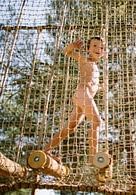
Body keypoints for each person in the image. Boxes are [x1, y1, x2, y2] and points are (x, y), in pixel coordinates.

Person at [44, 36, 106, 164]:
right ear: (88, 49)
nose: (98, 49)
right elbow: (68, 52)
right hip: (82, 94)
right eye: (94, 46)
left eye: (101, 47)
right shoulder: (84, 59)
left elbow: (92, 83)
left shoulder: (95, 67)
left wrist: (100, 87)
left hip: (83, 97)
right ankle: (93, 157)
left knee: (71, 127)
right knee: (97, 122)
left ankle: (46, 151)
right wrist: (72, 46)